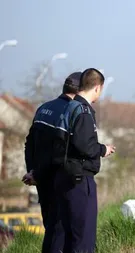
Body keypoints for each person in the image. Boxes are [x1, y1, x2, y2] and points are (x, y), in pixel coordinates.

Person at [54, 68, 116, 253]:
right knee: (84, 239)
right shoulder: (83, 111)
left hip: (64, 176)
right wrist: (103, 149)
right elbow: (84, 146)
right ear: (97, 87)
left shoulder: (69, 107)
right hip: (80, 180)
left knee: (70, 237)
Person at [22, 71, 82, 253]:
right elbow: (59, 151)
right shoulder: (70, 111)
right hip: (57, 178)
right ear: (79, 91)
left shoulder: (43, 108)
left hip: (40, 178)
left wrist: (32, 172)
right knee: (59, 230)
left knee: (50, 228)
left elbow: (29, 143)